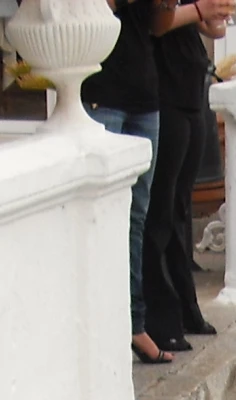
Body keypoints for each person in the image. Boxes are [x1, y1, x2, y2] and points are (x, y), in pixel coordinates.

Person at [83, 0, 170, 365]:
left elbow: (159, 26)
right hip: (103, 94)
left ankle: (134, 323)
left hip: (144, 93)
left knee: (137, 216)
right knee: (99, 217)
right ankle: (100, 328)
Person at [145, 0, 231, 352]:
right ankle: (161, 319)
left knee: (181, 208)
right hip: (162, 87)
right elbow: (157, 22)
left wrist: (214, 16)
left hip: (190, 83)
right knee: (161, 209)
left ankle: (186, 305)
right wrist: (200, 10)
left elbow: (212, 26)